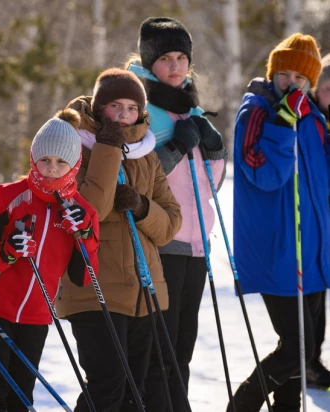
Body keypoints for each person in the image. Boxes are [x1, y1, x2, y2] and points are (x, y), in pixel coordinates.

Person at [55, 67, 182, 411]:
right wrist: (108, 149)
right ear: (98, 108)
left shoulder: (146, 153)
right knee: (106, 387)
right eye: (115, 106)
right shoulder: (72, 144)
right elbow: (88, 212)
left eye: (131, 108)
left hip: (143, 290)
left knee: (134, 392)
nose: (123, 115)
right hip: (93, 286)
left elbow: (170, 224)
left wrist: (142, 207)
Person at [0, 109, 100, 411]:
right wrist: (2, 253)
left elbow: (84, 275)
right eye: (45, 160)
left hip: (36, 317)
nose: (51, 169)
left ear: (74, 164)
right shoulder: (10, 195)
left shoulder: (83, 211)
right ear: (33, 158)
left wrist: (85, 234)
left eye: (61, 161)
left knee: (20, 398)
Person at [126, 17, 228, 411]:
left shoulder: (190, 106)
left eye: (181, 57)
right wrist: (176, 149)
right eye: (165, 57)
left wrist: (215, 152)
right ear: (149, 62)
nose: (175, 65)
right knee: (160, 350)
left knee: (182, 349)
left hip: (196, 245)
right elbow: (138, 181)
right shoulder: (143, 108)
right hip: (161, 242)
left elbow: (209, 186)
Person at [230, 33, 330, 411]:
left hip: (315, 252)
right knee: (297, 348)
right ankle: (243, 402)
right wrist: (282, 124)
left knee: (305, 349)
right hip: (278, 250)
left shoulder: (313, 117)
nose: (291, 83)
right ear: (272, 73)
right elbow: (265, 175)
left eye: (300, 78)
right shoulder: (258, 112)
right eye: (284, 73)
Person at [307, 52, 330, 389]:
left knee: (320, 294)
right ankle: (306, 361)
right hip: (310, 218)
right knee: (308, 297)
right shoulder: (307, 116)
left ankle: (313, 359)